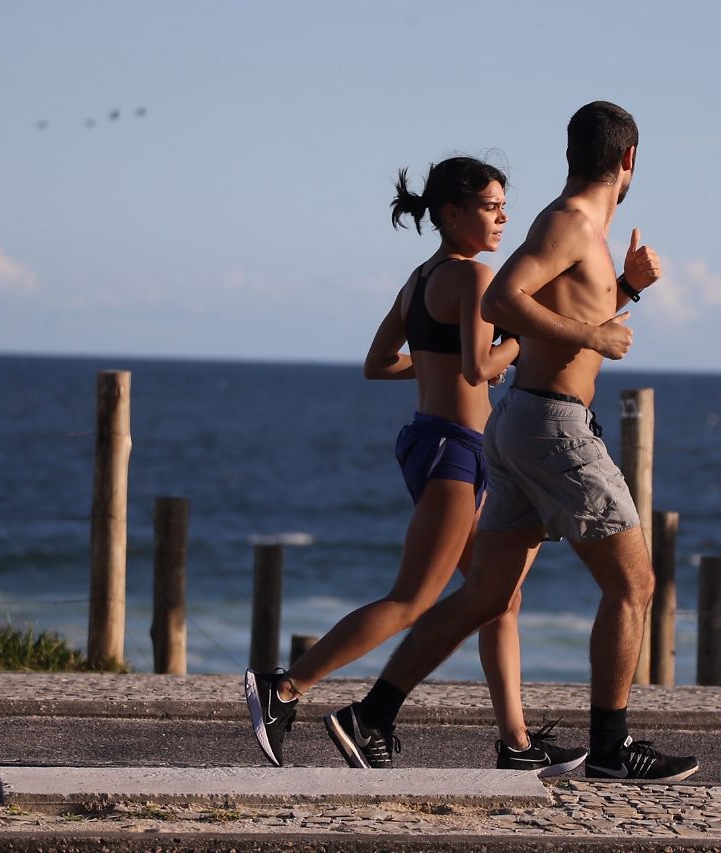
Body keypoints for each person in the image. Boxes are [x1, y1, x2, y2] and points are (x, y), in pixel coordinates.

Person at [324, 102, 699, 782]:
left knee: (487, 596)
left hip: (525, 421)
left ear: (570, 155)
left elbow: (559, 311)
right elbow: (505, 302)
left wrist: (626, 292)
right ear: (629, 161)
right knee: (635, 584)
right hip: (553, 427)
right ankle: (611, 748)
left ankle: (372, 713)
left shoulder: (578, 229)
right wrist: (598, 336)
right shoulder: (571, 223)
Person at [245, 156, 588, 778]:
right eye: (490, 206)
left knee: (498, 597)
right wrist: (523, 344)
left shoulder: (419, 278)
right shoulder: (475, 277)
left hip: (436, 442)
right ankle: (284, 688)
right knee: (413, 597)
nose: (503, 217)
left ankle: (515, 741)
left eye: (505, 205)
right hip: (456, 449)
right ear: (451, 214)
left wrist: (438, 363)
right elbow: (480, 370)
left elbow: (379, 363)